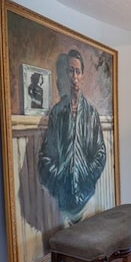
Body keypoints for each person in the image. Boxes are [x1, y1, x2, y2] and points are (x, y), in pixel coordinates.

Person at [38, 49, 106, 225]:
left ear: (82, 75)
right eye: (70, 70)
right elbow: (46, 155)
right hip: (63, 203)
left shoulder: (91, 114)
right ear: (65, 74)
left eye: (78, 71)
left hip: (88, 198)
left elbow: (100, 153)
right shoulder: (57, 112)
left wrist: (87, 176)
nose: (74, 76)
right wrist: (59, 180)